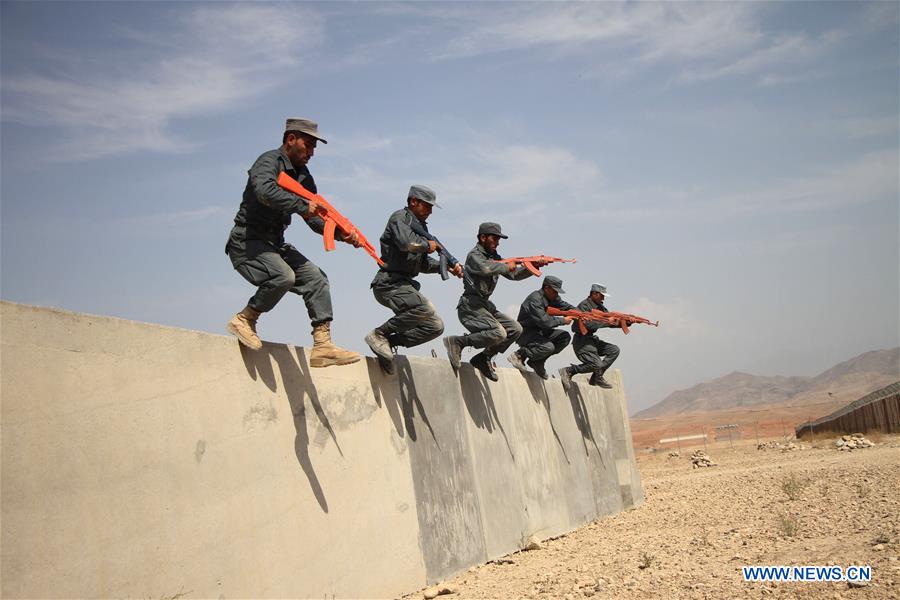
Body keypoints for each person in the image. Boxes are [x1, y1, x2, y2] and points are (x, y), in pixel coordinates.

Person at [224, 117, 361, 368]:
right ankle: (245, 319)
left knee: (316, 279)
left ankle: (322, 346)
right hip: (247, 241)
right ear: (291, 139)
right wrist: (302, 205)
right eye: (308, 145)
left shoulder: (304, 177)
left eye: (314, 148)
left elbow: (314, 217)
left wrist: (341, 234)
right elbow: (264, 192)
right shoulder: (269, 161)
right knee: (283, 276)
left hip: (275, 243)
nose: (311, 153)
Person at [365, 185, 462, 373]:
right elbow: (406, 244)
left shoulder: (421, 228)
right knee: (426, 308)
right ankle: (379, 334)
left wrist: (447, 267)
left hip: (405, 285)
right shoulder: (400, 218)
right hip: (388, 284)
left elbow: (422, 264)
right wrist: (427, 244)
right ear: (413, 201)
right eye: (427, 206)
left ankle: (388, 342)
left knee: (435, 326)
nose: (430, 211)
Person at [442, 222, 541, 381]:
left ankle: (484, 358)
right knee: (499, 333)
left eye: (498, 239)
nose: (497, 243)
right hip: (470, 307)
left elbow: (514, 275)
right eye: (494, 239)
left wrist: (532, 266)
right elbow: (486, 269)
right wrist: (508, 266)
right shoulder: (474, 256)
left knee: (515, 329)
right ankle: (458, 341)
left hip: (485, 305)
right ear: (483, 238)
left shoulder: (494, 258)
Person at [508, 276, 575, 380]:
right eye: (555, 291)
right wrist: (563, 320)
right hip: (526, 332)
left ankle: (537, 362)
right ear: (546, 288)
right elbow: (544, 321)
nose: (556, 294)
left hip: (540, 332)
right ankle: (519, 355)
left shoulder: (553, 297)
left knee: (564, 337)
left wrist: (580, 313)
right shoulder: (535, 299)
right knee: (548, 347)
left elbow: (565, 306)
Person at [559, 284, 620, 390]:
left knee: (614, 350)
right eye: (601, 295)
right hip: (582, 341)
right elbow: (589, 324)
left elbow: (611, 321)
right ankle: (569, 370)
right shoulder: (584, 306)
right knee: (597, 364)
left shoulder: (600, 307)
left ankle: (597, 377)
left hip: (591, 340)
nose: (603, 298)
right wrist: (607, 322)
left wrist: (626, 322)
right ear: (594, 294)